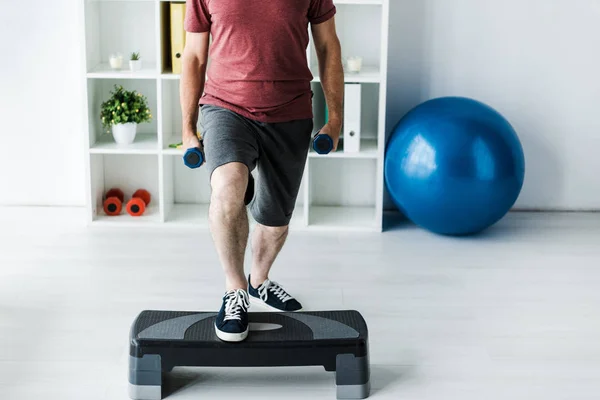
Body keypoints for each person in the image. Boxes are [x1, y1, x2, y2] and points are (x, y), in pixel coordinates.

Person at [180, 0, 344, 342]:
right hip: (226, 107)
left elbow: (328, 46)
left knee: (273, 223)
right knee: (227, 187)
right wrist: (187, 129)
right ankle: (235, 289)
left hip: (291, 113)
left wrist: (336, 120)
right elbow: (194, 56)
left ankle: (258, 280)